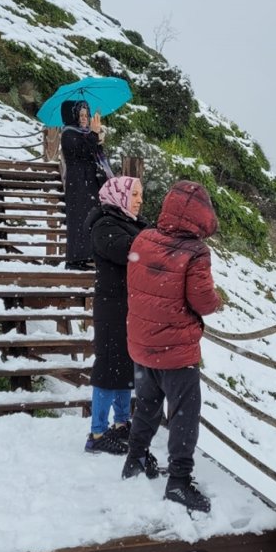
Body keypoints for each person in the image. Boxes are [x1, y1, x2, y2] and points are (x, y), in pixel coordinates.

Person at [121, 181, 222, 513]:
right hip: (176, 351)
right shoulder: (195, 253)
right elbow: (203, 301)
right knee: (183, 416)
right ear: (200, 216)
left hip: (142, 343)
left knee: (147, 406)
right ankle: (178, 482)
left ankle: (135, 459)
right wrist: (218, 301)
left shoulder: (143, 238)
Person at [83, 176, 147, 455]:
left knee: (125, 365)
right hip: (112, 307)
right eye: (134, 194)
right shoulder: (105, 225)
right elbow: (129, 252)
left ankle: (121, 423)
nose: (139, 200)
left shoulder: (129, 224)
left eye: (140, 194)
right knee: (109, 365)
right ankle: (97, 433)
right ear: (119, 195)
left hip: (128, 306)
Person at [60, 99, 112, 270]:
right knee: (78, 219)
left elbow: (93, 153)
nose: (84, 118)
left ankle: (85, 256)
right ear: (74, 116)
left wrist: (97, 139)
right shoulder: (68, 133)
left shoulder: (85, 133)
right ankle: (74, 258)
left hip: (90, 181)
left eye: (86, 115)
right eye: (80, 115)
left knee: (89, 218)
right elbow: (80, 152)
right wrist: (93, 135)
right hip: (78, 182)